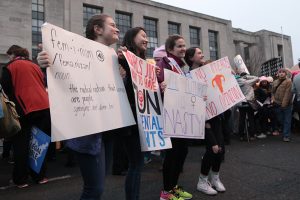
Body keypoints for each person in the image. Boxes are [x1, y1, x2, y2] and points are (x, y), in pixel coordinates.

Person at [37, 14, 120, 200]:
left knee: (100, 183)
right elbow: (60, 82)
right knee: (94, 188)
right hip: (88, 132)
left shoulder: (114, 57)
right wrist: (45, 65)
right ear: (98, 29)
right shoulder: (76, 52)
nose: (117, 29)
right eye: (113, 25)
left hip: (108, 130)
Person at [1, 45, 50, 188]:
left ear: (13, 54)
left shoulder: (9, 67)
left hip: (23, 109)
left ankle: (21, 179)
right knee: (39, 143)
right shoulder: (35, 66)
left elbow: (5, 90)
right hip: (43, 106)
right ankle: (40, 177)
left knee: (21, 144)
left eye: (9, 55)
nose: (9, 58)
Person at [184, 47, 226, 196]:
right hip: (202, 118)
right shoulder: (187, 77)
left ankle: (215, 178)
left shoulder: (208, 73)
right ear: (190, 58)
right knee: (213, 149)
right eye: (199, 53)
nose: (203, 55)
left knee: (220, 149)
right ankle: (202, 181)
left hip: (216, 116)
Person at [156, 35, 193, 200]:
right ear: (170, 49)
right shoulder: (164, 64)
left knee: (181, 153)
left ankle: (173, 187)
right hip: (171, 117)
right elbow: (157, 87)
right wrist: (161, 86)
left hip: (181, 116)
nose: (183, 49)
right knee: (172, 156)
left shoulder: (180, 66)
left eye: (184, 46)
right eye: (179, 46)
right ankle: (166, 192)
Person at [117, 27, 150, 200]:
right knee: (135, 164)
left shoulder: (142, 62)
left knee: (137, 164)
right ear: (132, 37)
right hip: (130, 119)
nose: (147, 39)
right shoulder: (123, 58)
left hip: (141, 118)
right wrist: (122, 60)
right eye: (143, 36)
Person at [236, 72, 259, 141]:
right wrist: (248, 77)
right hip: (249, 102)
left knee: (241, 119)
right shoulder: (247, 82)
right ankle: (252, 135)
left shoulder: (235, 83)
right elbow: (257, 78)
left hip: (240, 103)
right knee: (251, 119)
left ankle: (241, 136)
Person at [272, 68, 293, 142]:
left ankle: (286, 136)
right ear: (278, 73)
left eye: (283, 72)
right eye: (280, 72)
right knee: (281, 120)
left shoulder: (288, 81)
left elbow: (288, 94)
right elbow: (272, 92)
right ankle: (285, 132)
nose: (281, 73)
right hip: (277, 104)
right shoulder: (275, 82)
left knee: (287, 120)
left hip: (286, 105)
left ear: (286, 73)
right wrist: (273, 99)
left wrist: (284, 104)